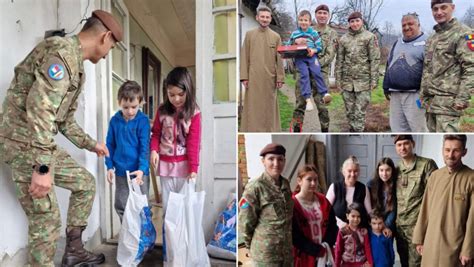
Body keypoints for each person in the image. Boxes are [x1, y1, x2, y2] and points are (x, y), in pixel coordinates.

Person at [0, 10, 121, 266]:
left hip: (39, 143)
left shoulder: (77, 68)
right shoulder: (61, 54)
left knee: (85, 184)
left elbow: (63, 120)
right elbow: (40, 108)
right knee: (46, 220)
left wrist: (92, 144)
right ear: (105, 37)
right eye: (112, 45)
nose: (110, 51)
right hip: (23, 145)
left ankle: (75, 251)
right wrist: (42, 168)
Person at [413, 135, 474, 267]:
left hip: (456, 246)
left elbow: (473, 220)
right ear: (442, 150)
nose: (450, 155)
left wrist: (468, 250)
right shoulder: (435, 176)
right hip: (431, 241)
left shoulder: (471, 178)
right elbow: (425, 209)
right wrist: (419, 238)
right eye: (447, 150)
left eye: (456, 150)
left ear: (464, 152)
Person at [150, 67, 201, 215]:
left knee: (184, 210)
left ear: (188, 91)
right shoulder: (161, 110)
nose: (176, 99)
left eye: (181, 94)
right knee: (169, 209)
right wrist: (154, 150)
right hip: (165, 166)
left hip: (185, 168)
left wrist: (193, 168)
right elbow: (156, 134)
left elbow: (194, 143)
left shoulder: (194, 113)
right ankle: (169, 238)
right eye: (171, 95)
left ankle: (183, 239)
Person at [420, 0, 474, 132]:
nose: (439, 12)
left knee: (447, 141)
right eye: (435, 9)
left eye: (443, 8)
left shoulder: (464, 33)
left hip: (448, 104)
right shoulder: (433, 38)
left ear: (452, 8)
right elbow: (427, 69)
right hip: (431, 103)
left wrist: (462, 98)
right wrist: (423, 96)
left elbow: (471, 67)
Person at [238, 143, 293, 266]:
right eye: (271, 159)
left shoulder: (285, 184)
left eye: (280, 159)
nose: (276, 163)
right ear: (263, 161)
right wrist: (249, 246)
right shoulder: (255, 187)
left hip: (286, 253)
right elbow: (245, 223)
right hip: (265, 255)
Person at [105, 80, 150, 221]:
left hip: (139, 172)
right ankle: (127, 236)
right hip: (120, 171)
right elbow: (110, 144)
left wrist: (142, 169)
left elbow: (145, 148)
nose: (130, 111)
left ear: (141, 102)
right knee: (121, 204)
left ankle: (143, 238)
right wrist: (110, 166)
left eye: (134, 107)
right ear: (119, 102)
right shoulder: (114, 121)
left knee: (141, 205)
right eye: (126, 107)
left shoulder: (143, 121)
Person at [292, 4, 338, 132]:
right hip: (303, 73)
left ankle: (325, 130)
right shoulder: (305, 29)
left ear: (328, 16)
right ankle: (296, 130)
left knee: (322, 106)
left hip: (320, 72)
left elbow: (330, 54)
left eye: (325, 13)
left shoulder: (332, 33)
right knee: (300, 105)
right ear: (315, 15)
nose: (322, 15)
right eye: (320, 13)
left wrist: (314, 64)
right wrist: (295, 42)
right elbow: (292, 46)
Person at [393, 135, 438, 267]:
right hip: (400, 226)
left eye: (406, 143)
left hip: (417, 227)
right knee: (403, 261)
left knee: (417, 263)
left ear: (413, 143)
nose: (403, 148)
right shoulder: (396, 168)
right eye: (399, 145)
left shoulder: (426, 164)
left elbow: (435, 195)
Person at [240, 5, 285, 132]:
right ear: (257, 17)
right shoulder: (249, 35)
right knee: (253, 106)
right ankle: (252, 129)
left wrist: (280, 77)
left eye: (267, 17)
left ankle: (270, 129)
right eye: (262, 17)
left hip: (270, 78)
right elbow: (244, 56)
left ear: (270, 19)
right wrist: (244, 77)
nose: (265, 19)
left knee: (269, 107)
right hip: (253, 78)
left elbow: (280, 59)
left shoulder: (276, 37)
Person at [383, 13, 428, 132]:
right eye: (404, 25)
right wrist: (386, 86)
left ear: (419, 25)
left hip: (415, 95)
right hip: (395, 94)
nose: (407, 27)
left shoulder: (427, 43)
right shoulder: (397, 43)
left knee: (418, 128)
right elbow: (389, 64)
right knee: (397, 128)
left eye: (410, 24)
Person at [336, 11, 380, 132]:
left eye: (357, 21)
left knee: (360, 112)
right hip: (347, 82)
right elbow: (339, 60)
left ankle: (358, 132)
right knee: (350, 111)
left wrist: (374, 80)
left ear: (361, 21)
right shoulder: (343, 39)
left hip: (363, 81)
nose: (355, 24)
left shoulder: (369, 37)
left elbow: (374, 59)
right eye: (352, 21)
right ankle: (352, 130)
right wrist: (338, 80)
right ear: (349, 23)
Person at [292, 164, 338, 267]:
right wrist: (314, 249)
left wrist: (326, 244)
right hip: (304, 255)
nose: (313, 183)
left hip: (323, 253)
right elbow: (294, 234)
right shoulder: (293, 204)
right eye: (309, 180)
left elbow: (333, 225)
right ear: (299, 181)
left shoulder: (323, 201)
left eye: (315, 179)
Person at [286, 10, 331, 112]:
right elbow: (288, 46)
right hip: (300, 58)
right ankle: (307, 99)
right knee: (304, 75)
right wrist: (295, 42)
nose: (303, 22)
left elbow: (319, 47)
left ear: (310, 22)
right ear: (298, 21)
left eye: (306, 20)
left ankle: (324, 93)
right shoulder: (295, 33)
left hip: (311, 56)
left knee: (316, 72)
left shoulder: (314, 33)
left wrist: (313, 50)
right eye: (301, 20)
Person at [326, 155, 372, 229]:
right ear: (343, 172)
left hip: (358, 230)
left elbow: (369, 213)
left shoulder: (363, 188)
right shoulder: (334, 187)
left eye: (356, 171)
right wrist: (341, 224)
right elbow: (326, 210)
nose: (353, 174)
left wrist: (381, 226)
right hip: (337, 229)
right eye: (349, 171)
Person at [334, 202, 373, 267]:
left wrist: (370, 263)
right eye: (353, 216)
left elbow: (367, 248)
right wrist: (336, 265)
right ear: (347, 216)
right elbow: (338, 250)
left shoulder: (364, 231)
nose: (356, 219)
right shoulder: (342, 232)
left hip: (361, 264)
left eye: (358, 216)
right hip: (346, 264)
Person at [367, 157, 397, 232]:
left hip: (389, 223)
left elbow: (394, 209)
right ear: (378, 171)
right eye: (381, 170)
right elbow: (368, 207)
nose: (384, 174)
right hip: (374, 223)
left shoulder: (396, 186)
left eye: (388, 170)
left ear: (392, 170)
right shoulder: (371, 185)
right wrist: (376, 225)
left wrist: (386, 226)